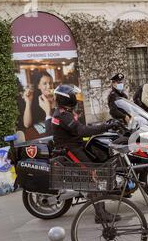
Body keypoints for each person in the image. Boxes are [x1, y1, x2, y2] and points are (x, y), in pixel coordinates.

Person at [51, 84, 121, 223]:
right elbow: (82, 131)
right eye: (74, 96)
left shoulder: (65, 111)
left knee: (98, 168)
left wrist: (104, 124)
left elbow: (82, 128)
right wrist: (105, 126)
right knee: (93, 175)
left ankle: (102, 211)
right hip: (70, 150)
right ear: (67, 98)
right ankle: (100, 215)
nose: (76, 98)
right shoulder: (63, 115)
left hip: (75, 146)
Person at [21, 71, 55, 139]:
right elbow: (27, 124)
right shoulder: (34, 99)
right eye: (45, 83)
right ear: (38, 86)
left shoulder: (57, 98)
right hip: (39, 136)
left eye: (50, 83)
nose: (49, 86)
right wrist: (28, 102)